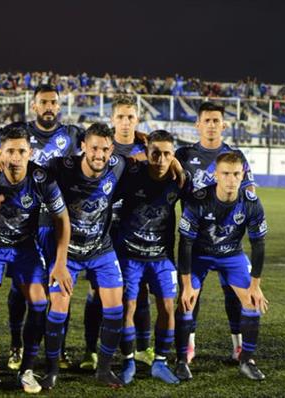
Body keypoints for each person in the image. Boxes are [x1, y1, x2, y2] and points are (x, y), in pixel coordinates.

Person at [0, 125, 71, 394]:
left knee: (39, 302)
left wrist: (59, 263)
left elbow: (63, 220)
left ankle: (27, 370)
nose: (15, 157)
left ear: (30, 152)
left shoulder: (41, 177)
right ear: (0, 152)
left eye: (21, 151)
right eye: (9, 151)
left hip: (25, 247)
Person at [41, 123, 127, 390]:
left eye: (104, 149)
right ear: (83, 147)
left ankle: (103, 369)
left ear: (111, 150)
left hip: (101, 249)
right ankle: (51, 371)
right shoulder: (60, 167)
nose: (99, 154)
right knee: (58, 308)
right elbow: (32, 173)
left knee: (115, 308)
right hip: (66, 252)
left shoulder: (119, 165)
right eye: (93, 148)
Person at [174, 151, 269, 382]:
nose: (231, 179)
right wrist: (186, 285)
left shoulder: (251, 203)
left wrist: (255, 286)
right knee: (187, 302)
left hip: (232, 255)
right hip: (200, 254)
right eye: (225, 174)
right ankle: (181, 361)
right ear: (216, 175)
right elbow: (185, 244)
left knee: (252, 302)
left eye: (236, 174)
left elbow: (259, 246)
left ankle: (246, 360)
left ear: (243, 174)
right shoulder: (198, 199)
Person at [175, 102, 256, 364]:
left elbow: (251, 195)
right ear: (198, 125)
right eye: (206, 120)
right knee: (189, 296)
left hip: (229, 242)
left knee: (233, 294)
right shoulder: (184, 155)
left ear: (224, 125)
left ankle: (238, 346)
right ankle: (189, 346)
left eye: (216, 120)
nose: (211, 125)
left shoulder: (235, 156)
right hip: (195, 242)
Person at [80, 95, 153, 371]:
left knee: (140, 288)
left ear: (137, 119)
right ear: (112, 119)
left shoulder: (147, 147)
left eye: (130, 117)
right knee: (98, 289)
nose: (125, 122)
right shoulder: (101, 147)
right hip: (102, 230)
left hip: (136, 229)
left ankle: (142, 348)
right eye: (120, 117)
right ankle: (90, 350)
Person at [113, 130, 185, 385]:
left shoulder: (179, 180)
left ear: (173, 155)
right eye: (156, 153)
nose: (161, 159)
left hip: (162, 257)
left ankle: (161, 363)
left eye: (167, 154)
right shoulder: (132, 174)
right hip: (129, 254)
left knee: (168, 307)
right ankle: (129, 360)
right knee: (128, 307)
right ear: (147, 153)